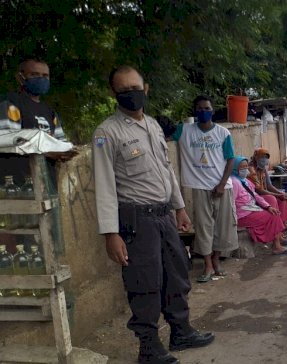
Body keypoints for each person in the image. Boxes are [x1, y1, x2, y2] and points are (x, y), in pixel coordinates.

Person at [92, 65, 214, 364]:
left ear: (145, 89)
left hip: (163, 216)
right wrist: (111, 234)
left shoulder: (154, 126)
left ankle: (181, 332)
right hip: (135, 220)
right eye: (124, 90)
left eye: (135, 87)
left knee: (177, 275)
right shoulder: (106, 133)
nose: (131, 94)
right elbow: (104, 186)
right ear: (114, 94)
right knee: (144, 283)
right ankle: (148, 347)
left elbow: (166, 169)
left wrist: (180, 207)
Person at [172, 95, 238, 283]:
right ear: (194, 111)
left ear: (212, 110)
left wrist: (221, 184)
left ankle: (217, 260)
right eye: (199, 108)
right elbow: (164, 135)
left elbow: (230, 159)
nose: (203, 111)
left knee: (223, 227)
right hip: (199, 186)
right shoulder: (184, 130)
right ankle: (208, 265)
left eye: (207, 108)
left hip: (222, 187)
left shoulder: (223, 133)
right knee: (203, 227)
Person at [231, 157, 287, 255]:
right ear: (235, 168)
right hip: (243, 215)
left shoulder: (244, 180)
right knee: (273, 215)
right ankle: (276, 246)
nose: (245, 169)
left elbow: (255, 195)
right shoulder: (234, 182)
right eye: (242, 167)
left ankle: (279, 236)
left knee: (273, 208)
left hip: (251, 208)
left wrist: (268, 207)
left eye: (246, 166)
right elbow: (232, 203)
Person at [0, 58, 66, 140]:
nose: (41, 79)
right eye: (34, 74)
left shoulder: (50, 112)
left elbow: (61, 143)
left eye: (45, 76)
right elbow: (9, 142)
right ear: (20, 77)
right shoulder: (10, 103)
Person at [250, 148, 287, 230]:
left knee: (283, 198)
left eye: (266, 157)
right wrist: (277, 195)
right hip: (255, 196)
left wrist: (280, 194)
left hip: (264, 193)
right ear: (256, 157)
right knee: (272, 198)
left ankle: (284, 224)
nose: (265, 159)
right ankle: (277, 229)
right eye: (262, 157)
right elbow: (258, 190)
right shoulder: (251, 169)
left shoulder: (263, 169)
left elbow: (269, 185)